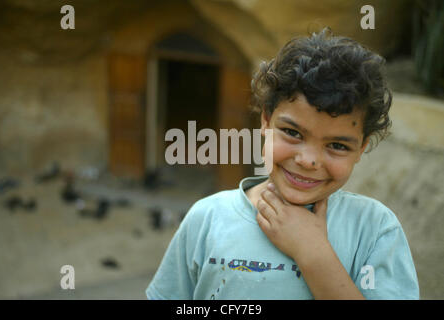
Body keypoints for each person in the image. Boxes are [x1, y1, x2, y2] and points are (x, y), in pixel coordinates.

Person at [145, 28, 420, 300]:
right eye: (292, 133)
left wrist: (312, 252)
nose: (308, 160)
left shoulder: (374, 230)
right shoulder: (207, 218)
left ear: (361, 147)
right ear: (265, 121)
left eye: (337, 146)